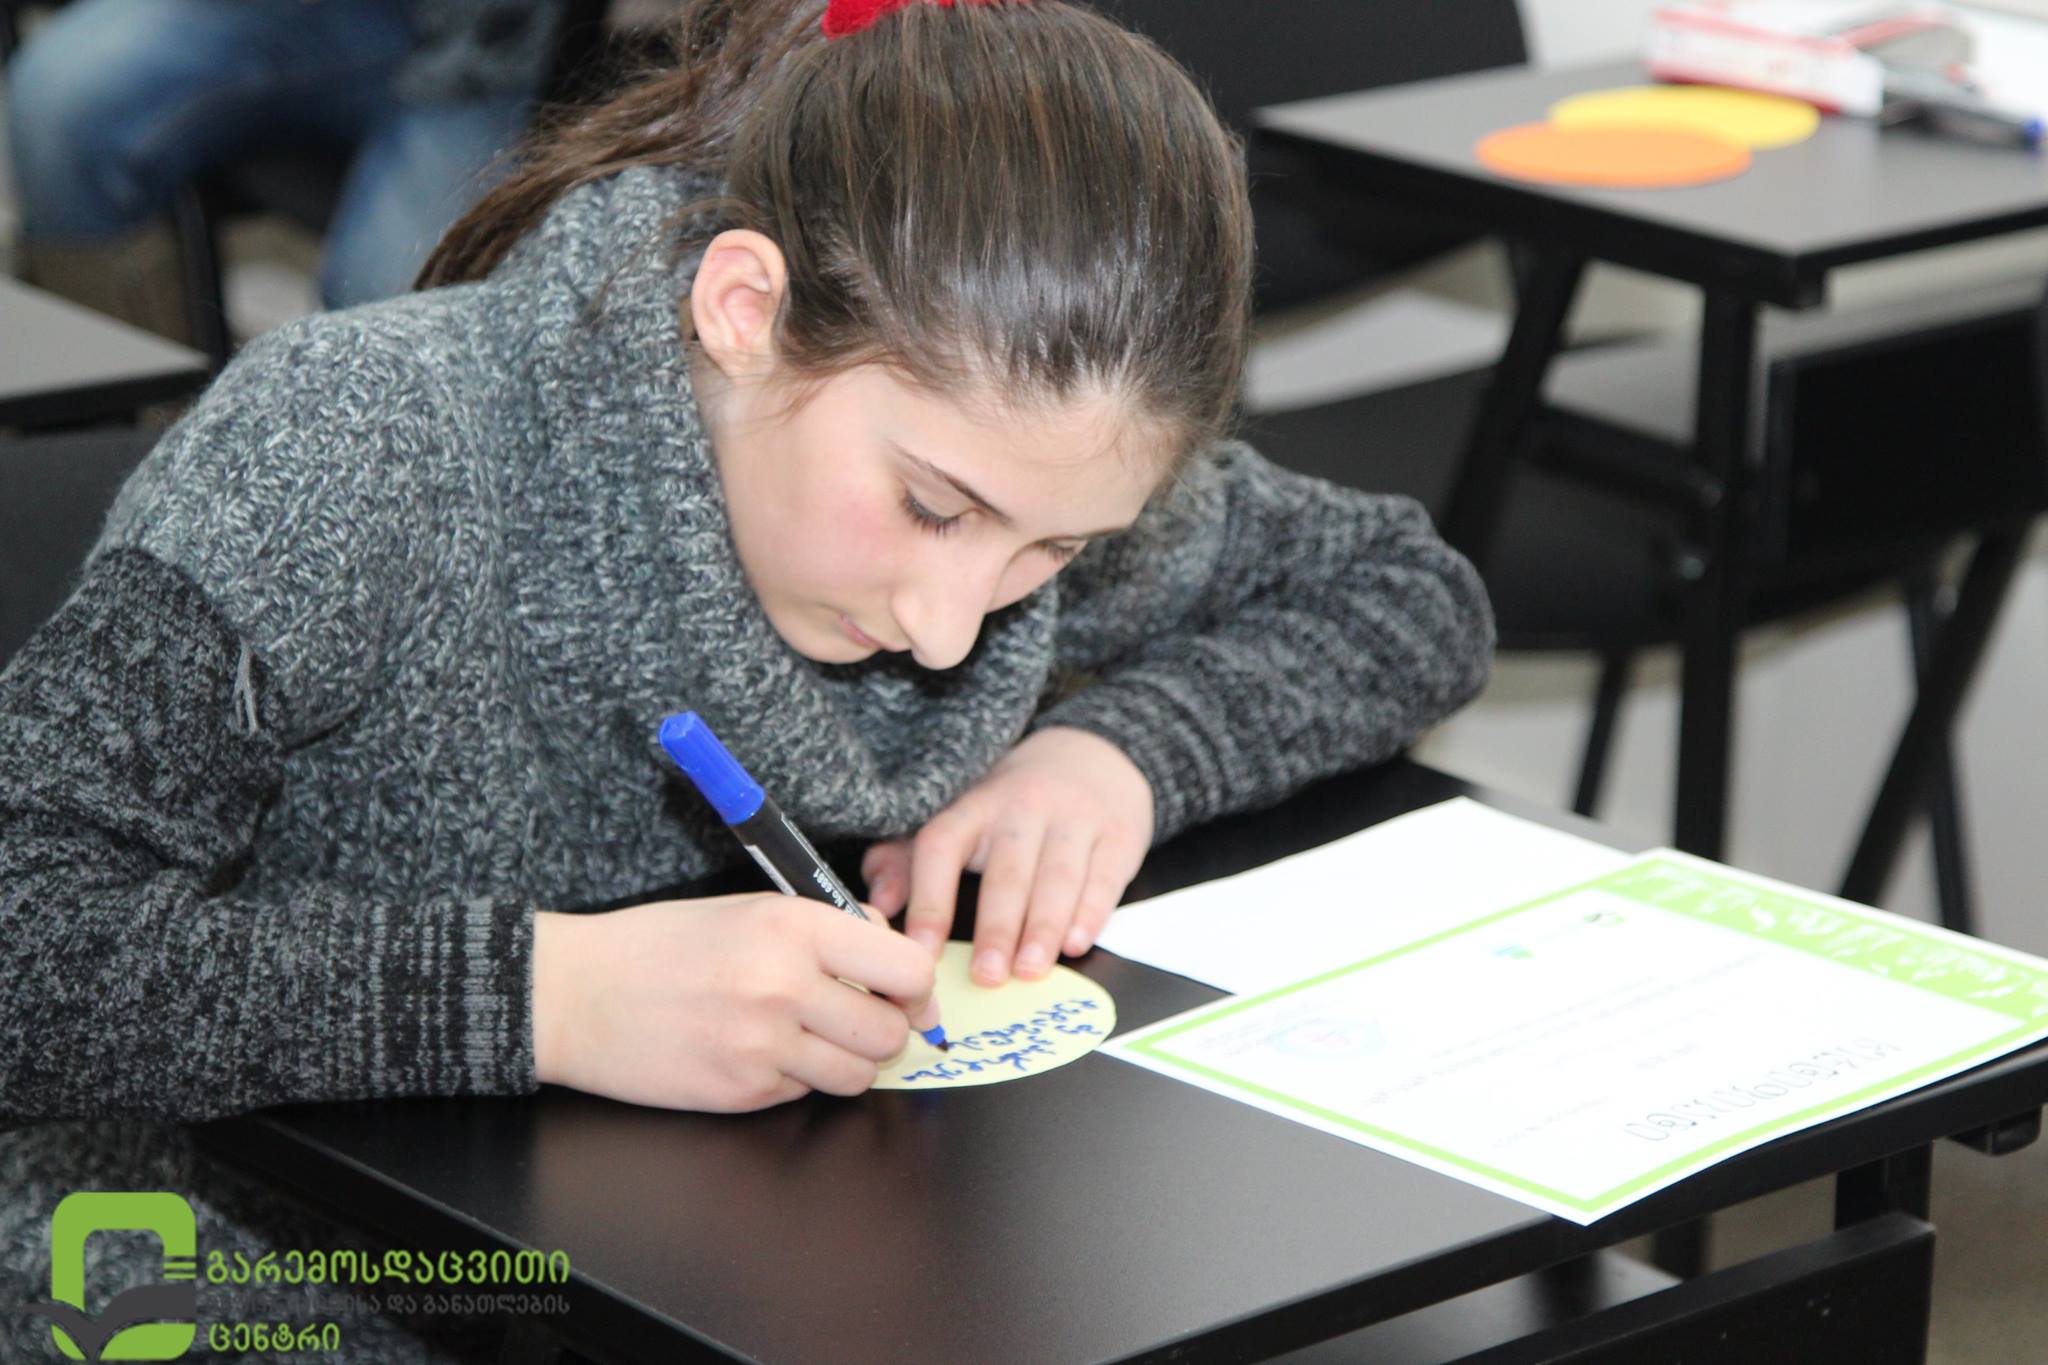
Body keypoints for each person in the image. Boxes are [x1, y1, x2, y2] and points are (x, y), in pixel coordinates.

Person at [0, 0, 1494, 1357]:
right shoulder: (353, 452)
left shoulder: (1025, 460)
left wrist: (1119, 753)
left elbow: (1406, 593)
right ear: (743, 311)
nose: (953, 628)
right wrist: (543, 997)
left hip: (724, 1265)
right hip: (222, 1268)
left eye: (1057, 551)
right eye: (932, 507)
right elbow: (28, 949)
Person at [4, 0, 565, 340]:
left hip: (494, 45)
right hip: (295, 15)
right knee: (60, 107)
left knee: (388, 313)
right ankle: (145, 426)